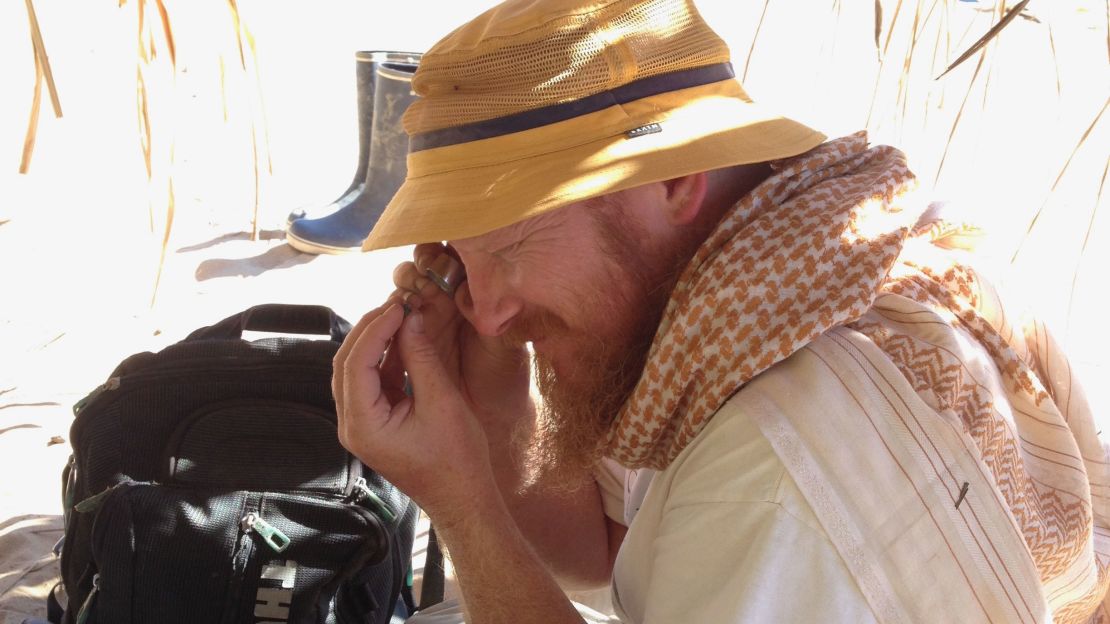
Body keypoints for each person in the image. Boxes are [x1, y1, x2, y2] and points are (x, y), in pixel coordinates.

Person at [331, 0, 1110, 621]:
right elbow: (606, 555)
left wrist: (462, 505)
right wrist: (494, 405)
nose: (489, 312)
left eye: (509, 251)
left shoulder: (780, 450)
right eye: (461, 261)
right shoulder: (763, 288)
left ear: (671, 181)